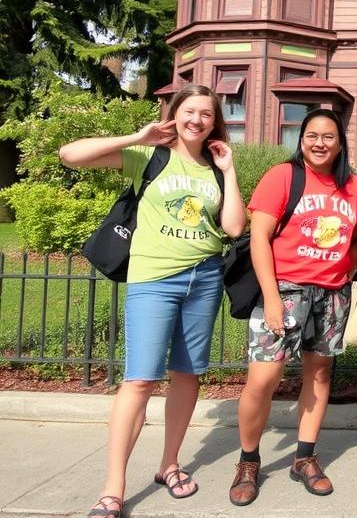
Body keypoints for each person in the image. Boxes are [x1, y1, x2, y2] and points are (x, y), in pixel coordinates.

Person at [59, 85, 246, 518]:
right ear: (175, 114)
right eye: (189, 111)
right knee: (140, 381)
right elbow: (70, 154)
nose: (196, 119)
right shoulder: (151, 157)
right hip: (154, 280)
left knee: (187, 374)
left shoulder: (216, 170)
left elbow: (234, 228)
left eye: (206, 113)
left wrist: (230, 168)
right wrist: (135, 138)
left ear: (215, 122)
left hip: (204, 280)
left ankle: (169, 465)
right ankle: (113, 488)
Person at [229, 109, 357, 507]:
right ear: (301, 139)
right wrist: (271, 297)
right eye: (311, 135)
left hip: (330, 293)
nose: (319, 143)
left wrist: (347, 269)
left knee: (319, 374)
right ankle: (248, 460)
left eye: (328, 136)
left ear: (340, 143)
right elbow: (259, 238)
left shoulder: (354, 187)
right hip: (284, 289)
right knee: (263, 379)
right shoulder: (282, 177)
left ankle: (304, 456)